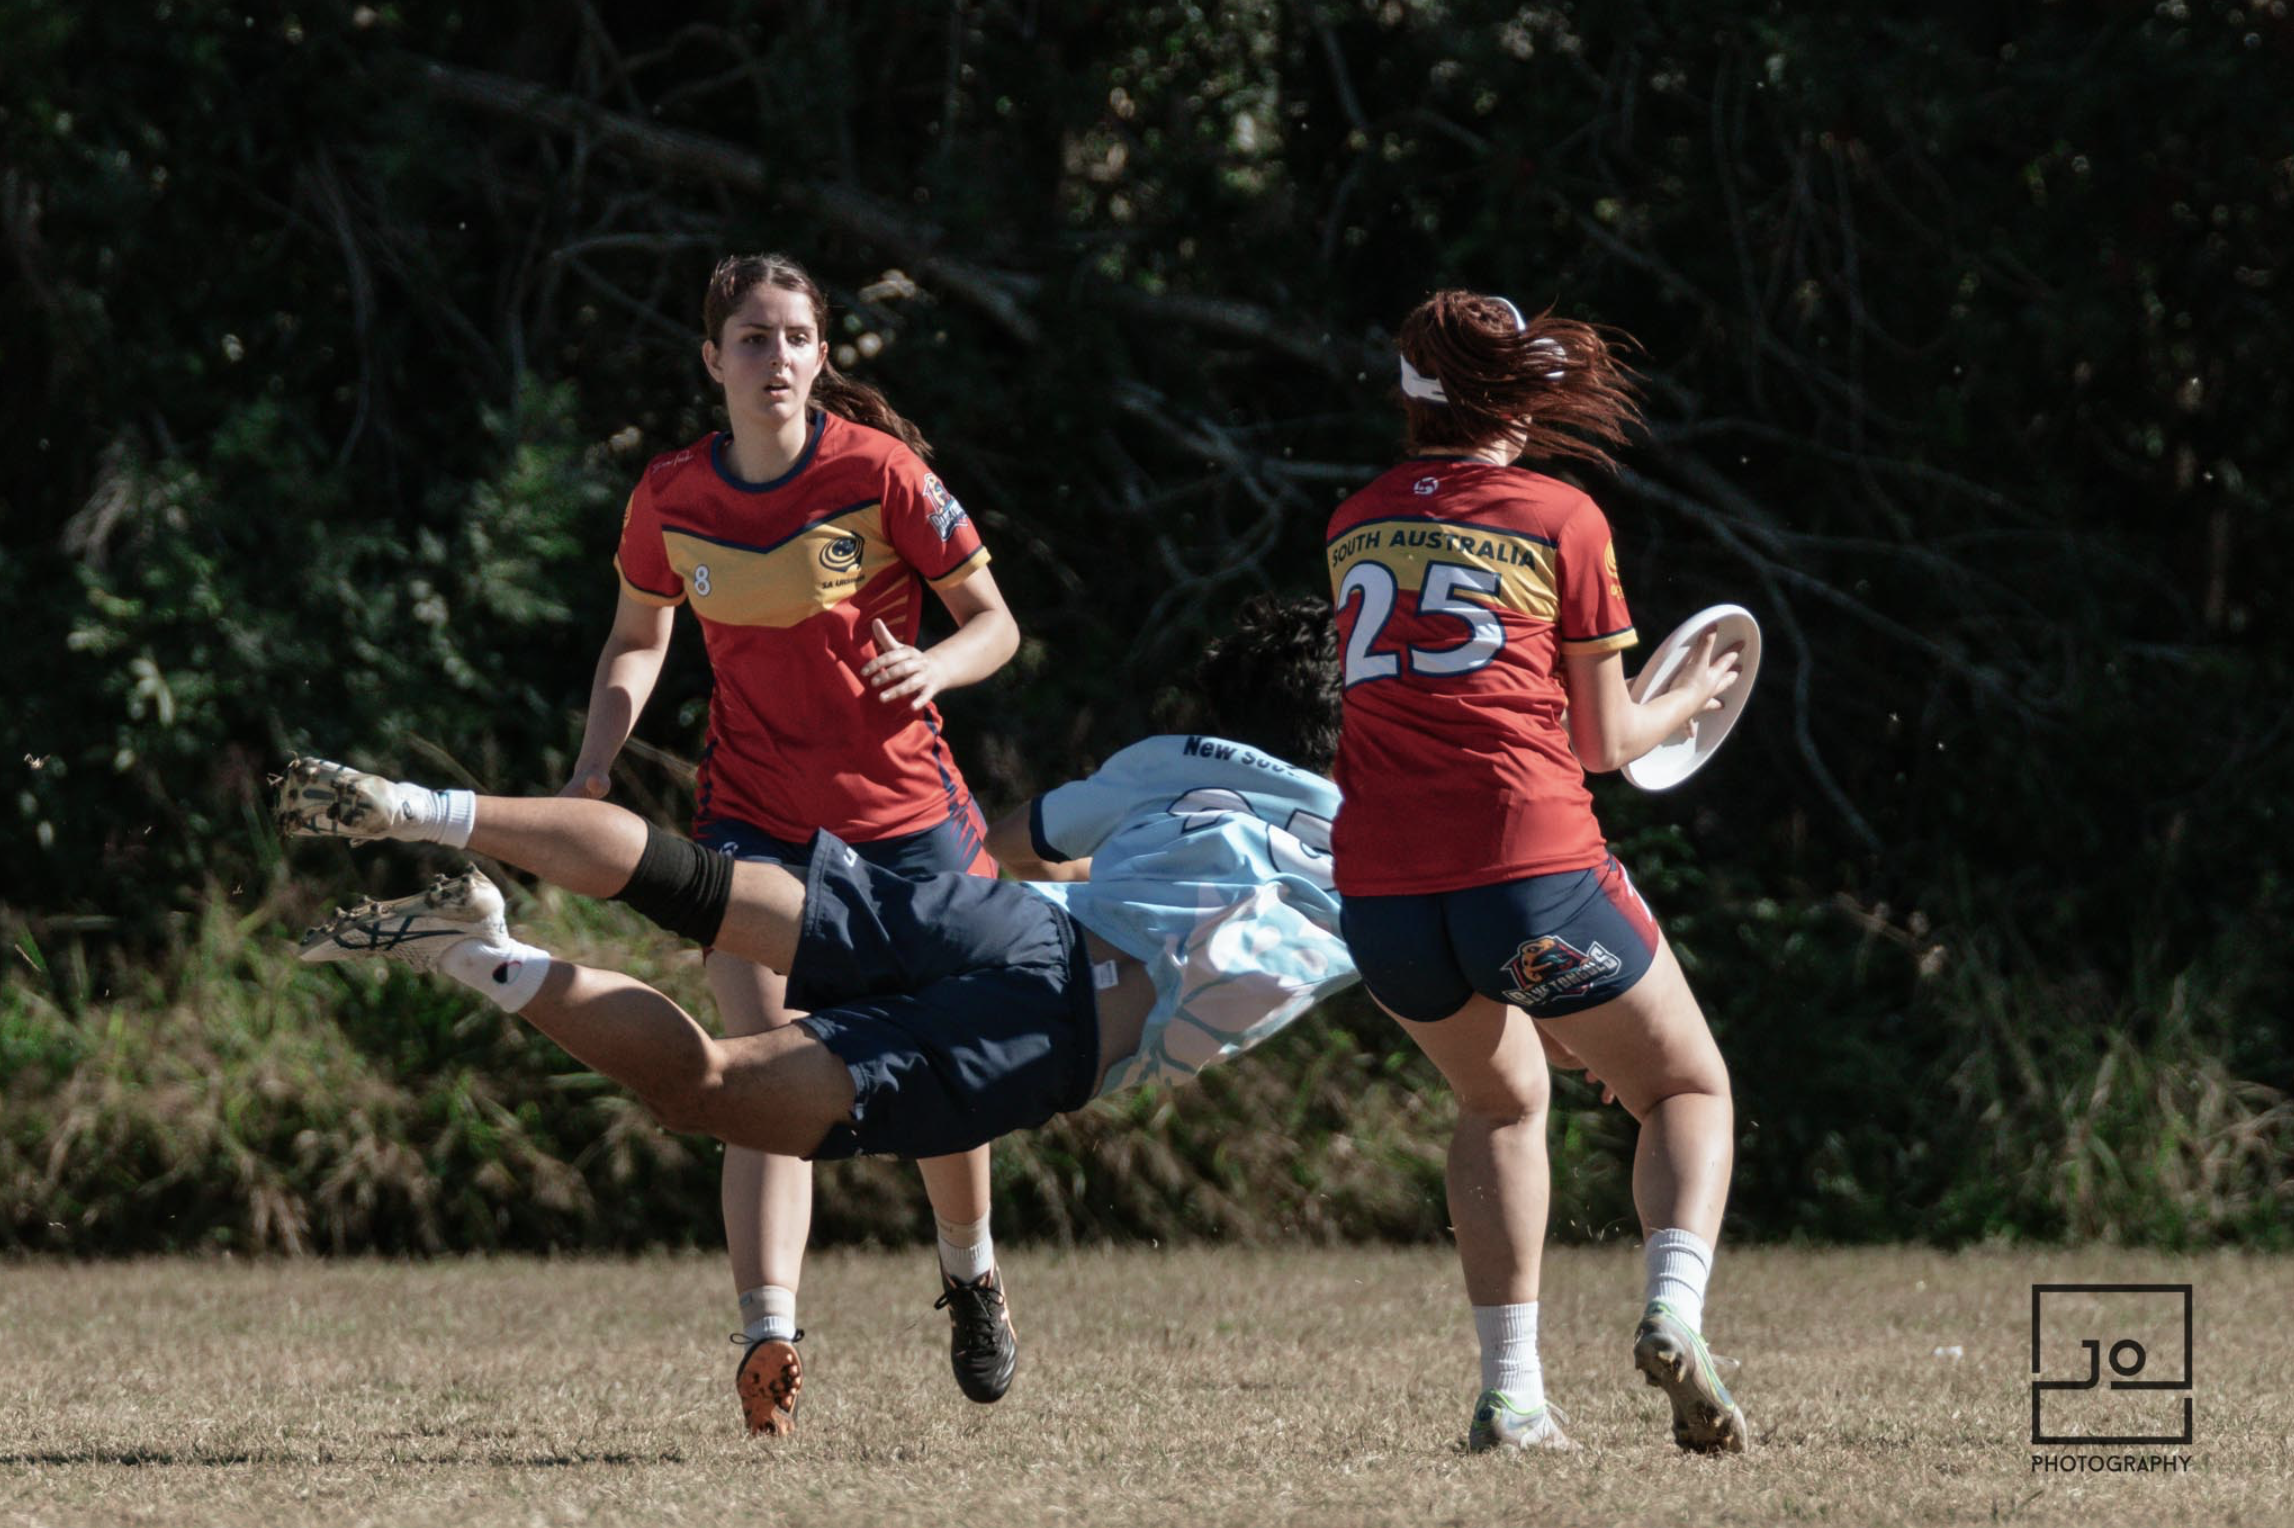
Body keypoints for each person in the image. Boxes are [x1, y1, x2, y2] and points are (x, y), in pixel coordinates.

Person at [278, 598, 1356, 1438]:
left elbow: (1019, 839)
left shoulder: (1178, 760)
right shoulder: (1381, 858)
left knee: (695, 885)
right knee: (703, 1089)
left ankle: (426, 814)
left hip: (1013, 922)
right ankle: (481, 954)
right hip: (1047, 1033)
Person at [564, 252, 1021, 1432]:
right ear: (711, 359)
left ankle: (969, 1274)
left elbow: (994, 623)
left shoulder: (879, 473)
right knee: (757, 1065)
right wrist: (596, 759)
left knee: (943, 1076)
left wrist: (936, 663)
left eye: (797, 338)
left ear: (824, 355)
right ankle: (768, 1334)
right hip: (753, 819)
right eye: (754, 339)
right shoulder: (670, 494)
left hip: (906, 823)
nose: (778, 359)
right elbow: (635, 633)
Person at [1323, 291, 1749, 1453]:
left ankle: (1510, 1395)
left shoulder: (1351, 521)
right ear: (1513, 397)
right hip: (1526, 867)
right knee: (1685, 1089)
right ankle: (1670, 1307)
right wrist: (1694, 699)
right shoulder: (1559, 516)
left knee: (1498, 1099)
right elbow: (1605, 742)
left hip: (1379, 893)